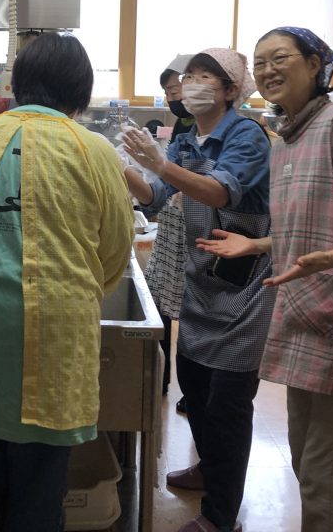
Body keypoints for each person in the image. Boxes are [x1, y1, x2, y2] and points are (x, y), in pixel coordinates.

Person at [198, 27, 333, 532]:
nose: (268, 70)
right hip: (303, 312)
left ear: (316, 64)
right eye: (259, 62)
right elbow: (313, 223)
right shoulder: (286, 137)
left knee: (323, 472)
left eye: (280, 58)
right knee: (304, 457)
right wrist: (257, 245)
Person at [0, 33, 134, 532]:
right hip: (51, 328)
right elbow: (115, 248)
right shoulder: (93, 148)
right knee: (37, 496)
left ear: (19, 84)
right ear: (81, 91)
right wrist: (76, 286)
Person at [122, 48, 273, 532]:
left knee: (228, 404)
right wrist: (120, 166)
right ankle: (209, 468)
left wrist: (160, 165)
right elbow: (158, 197)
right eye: (188, 75)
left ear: (231, 90)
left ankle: (221, 515)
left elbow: (221, 191)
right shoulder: (188, 137)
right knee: (195, 383)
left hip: (244, 285)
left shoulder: (247, 135)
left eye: (205, 76)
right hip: (201, 279)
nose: (191, 83)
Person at [136, 55, 195, 406]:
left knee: (189, 311)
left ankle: (186, 389)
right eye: (169, 92)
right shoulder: (185, 127)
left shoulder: (238, 135)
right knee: (164, 303)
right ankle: (161, 379)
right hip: (174, 228)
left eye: (176, 89)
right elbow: (162, 190)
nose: (173, 97)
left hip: (197, 236)